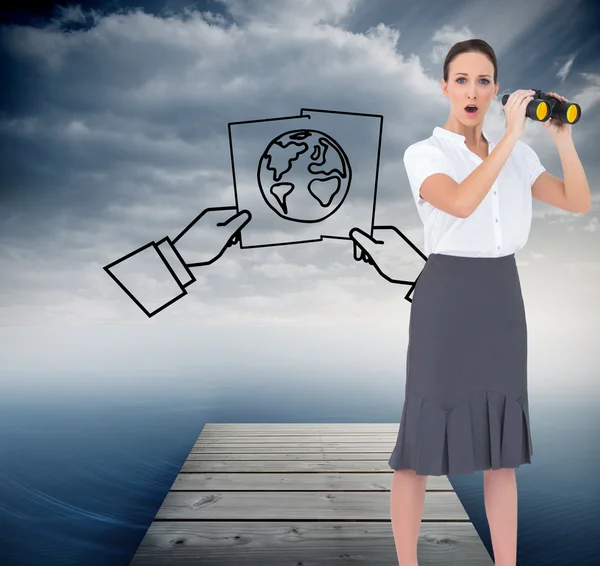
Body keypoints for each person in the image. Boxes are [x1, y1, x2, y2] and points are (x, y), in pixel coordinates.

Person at [387, 39, 591, 566]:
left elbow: (577, 202)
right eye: (461, 80)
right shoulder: (425, 153)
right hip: (446, 296)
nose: (472, 91)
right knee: (419, 448)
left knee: (503, 455)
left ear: (497, 89)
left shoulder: (519, 155)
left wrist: (560, 138)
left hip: (503, 296)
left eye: (483, 81)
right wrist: (508, 138)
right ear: (445, 87)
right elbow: (459, 200)